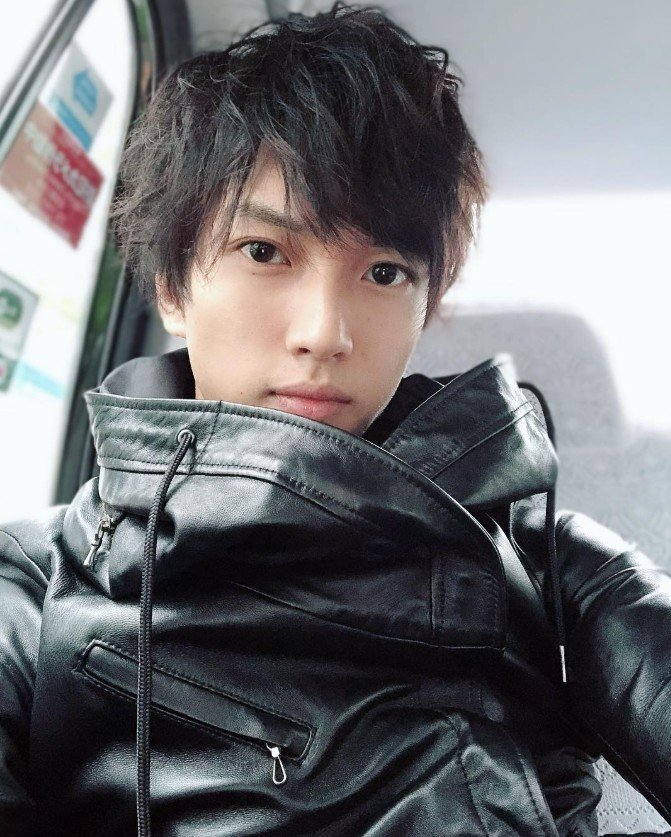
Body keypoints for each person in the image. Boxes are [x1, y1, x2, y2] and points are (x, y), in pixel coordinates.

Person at [1, 2, 670, 835]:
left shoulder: (550, 568)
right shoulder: (32, 585)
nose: (325, 333)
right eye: (263, 252)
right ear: (172, 287)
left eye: (384, 272)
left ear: (426, 303)